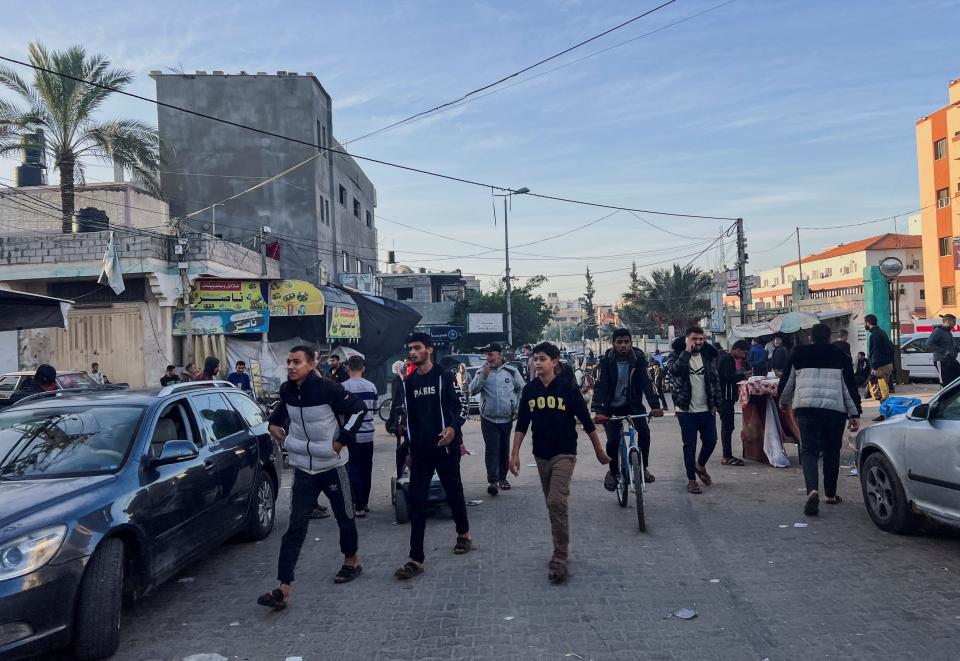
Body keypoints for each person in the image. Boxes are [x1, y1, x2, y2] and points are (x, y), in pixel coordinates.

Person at [257, 345, 367, 610]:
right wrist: (273, 423)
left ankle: (351, 561)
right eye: (289, 362)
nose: (291, 366)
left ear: (310, 364)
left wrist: (341, 441)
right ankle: (283, 588)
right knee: (295, 526)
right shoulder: (287, 390)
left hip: (331, 464)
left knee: (345, 516)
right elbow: (282, 411)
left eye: (296, 362)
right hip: (303, 468)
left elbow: (358, 409)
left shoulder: (328, 388)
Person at [509, 341, 609, 584]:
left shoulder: (567, 388)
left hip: (565, 452)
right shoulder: (530, 390)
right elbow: (522, 423)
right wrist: (514, 454)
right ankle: (560, 545)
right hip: (540, 454)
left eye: (542, 358)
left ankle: (560, 554)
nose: (537, 363)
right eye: (535, 359)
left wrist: (599, 450)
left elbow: (586, 421)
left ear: (554, 361)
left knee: (556, 500)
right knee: (553, 504)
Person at [393, 332, 471, 581]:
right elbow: (409, 420)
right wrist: (407, 449)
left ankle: (463, 533)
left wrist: (452, 428)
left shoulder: (444, 376)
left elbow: (461, 407)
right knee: (417, 502)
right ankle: (416, 558)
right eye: (410, 349)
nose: (413, 353)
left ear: (428, 349)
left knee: (453, 490)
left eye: (417, 348)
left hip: (446, 448)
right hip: (421, 451)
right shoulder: (409, 382)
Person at [777, 323, 861, 516]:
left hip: (807, 411)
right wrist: (854, 414)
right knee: (832, 451)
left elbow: (788, 381)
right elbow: (849, 387)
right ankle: (830, 494)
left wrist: (783, 401)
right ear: (830, 338)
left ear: (811, 338)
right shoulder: (841, 356)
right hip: (834, 412)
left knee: (809, 451)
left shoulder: (799, 354)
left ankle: (812, 490)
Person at [592, 328, 663, 491]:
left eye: (626, 342)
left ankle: (643, 468)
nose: (623, 345)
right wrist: (599, 411)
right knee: (613, 440)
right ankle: (613, 472)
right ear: (613, 344)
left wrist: (655, 406)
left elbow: (647, 383)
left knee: (644, 432)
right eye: (619, 342)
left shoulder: (638, 359)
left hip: (633, 406)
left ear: (631, 343)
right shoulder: (606, 362)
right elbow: (600, 387)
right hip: (610, 409)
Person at [666, 327, 722, 495]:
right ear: (687, 339)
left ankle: (700, 465)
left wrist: (717, 405)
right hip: (686, 410)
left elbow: (715, 380)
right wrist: (686, 352)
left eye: (701, 339)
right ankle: (691, 480)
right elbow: (674, 371)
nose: (698, 342)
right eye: (694, 339)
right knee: (689, 446)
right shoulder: (676, 355)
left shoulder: (708, 356)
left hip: (706, 408)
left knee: (711, 441)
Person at [470, 343, 524, 496]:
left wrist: (517, 408)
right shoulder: (481, 371)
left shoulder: (511, 371)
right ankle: (493, 481)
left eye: (491, 354)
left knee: (503, 448)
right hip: (488, 418)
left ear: (499, 355)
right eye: (487, 355)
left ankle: (503, 478)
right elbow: (473, 390)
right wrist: (483, 377)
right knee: (492, 448)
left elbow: (522, 389)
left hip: (506, 418)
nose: (489, 358)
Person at [342, 355, 378, 517]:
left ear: (348, 368)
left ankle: (359, 505)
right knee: (366, 468)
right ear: (363, 369)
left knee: (354, 468)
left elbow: (340, 413)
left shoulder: (343, 387)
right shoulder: (371, 387)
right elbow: (375, 410)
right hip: (368, 433)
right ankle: (365, 502)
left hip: (352, 435)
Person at [718, 339, 749, 467]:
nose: (744, 356)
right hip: (725, 398)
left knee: (728, 427)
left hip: (727, 398)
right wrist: (743, 376)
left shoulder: (728, 359)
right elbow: (728, 378)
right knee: (727, 427)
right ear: (737, 350)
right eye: (743, 353)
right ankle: (726, 456)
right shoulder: (728, 360)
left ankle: (728, 454)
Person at [925, 313, 960, 388]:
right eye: (953, 322)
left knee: (956, 380)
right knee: (945, 383)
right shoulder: (938, 331)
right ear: (947, 321)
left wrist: (956, 349)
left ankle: (953, 398)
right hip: (942, 361)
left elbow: (950, 345)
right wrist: (945, 352)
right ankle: (943, 398)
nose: (955, 324)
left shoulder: (948, 332)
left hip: (952, 360)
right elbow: (928, 344)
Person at [865, 314, 895, 392]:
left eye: (865, 322)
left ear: (868, 323)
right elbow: (891, 348)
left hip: (880, 367)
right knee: (884, 391)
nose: (865, 325)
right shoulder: (882, 332)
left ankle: (884, 404)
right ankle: (885, 403)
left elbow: (875, 352)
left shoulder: (874, 335)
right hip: (887, 365)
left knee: (880, 393)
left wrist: (874, 367)